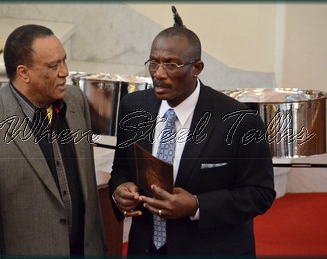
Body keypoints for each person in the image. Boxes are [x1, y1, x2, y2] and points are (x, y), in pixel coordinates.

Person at [108, 25, 276, 256]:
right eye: (153, 62)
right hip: (145, 248)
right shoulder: (133, 106)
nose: (158, 73)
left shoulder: (238, 120)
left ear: (196, 68)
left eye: (171, 64)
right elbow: (122, 168)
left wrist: (197, 205)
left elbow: (260, 193)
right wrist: (120, 190)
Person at [0, 24, 105, 257]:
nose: (65, 71)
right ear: (24, 73)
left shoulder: (75, 101)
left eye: (64, 61)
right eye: (53, 65)